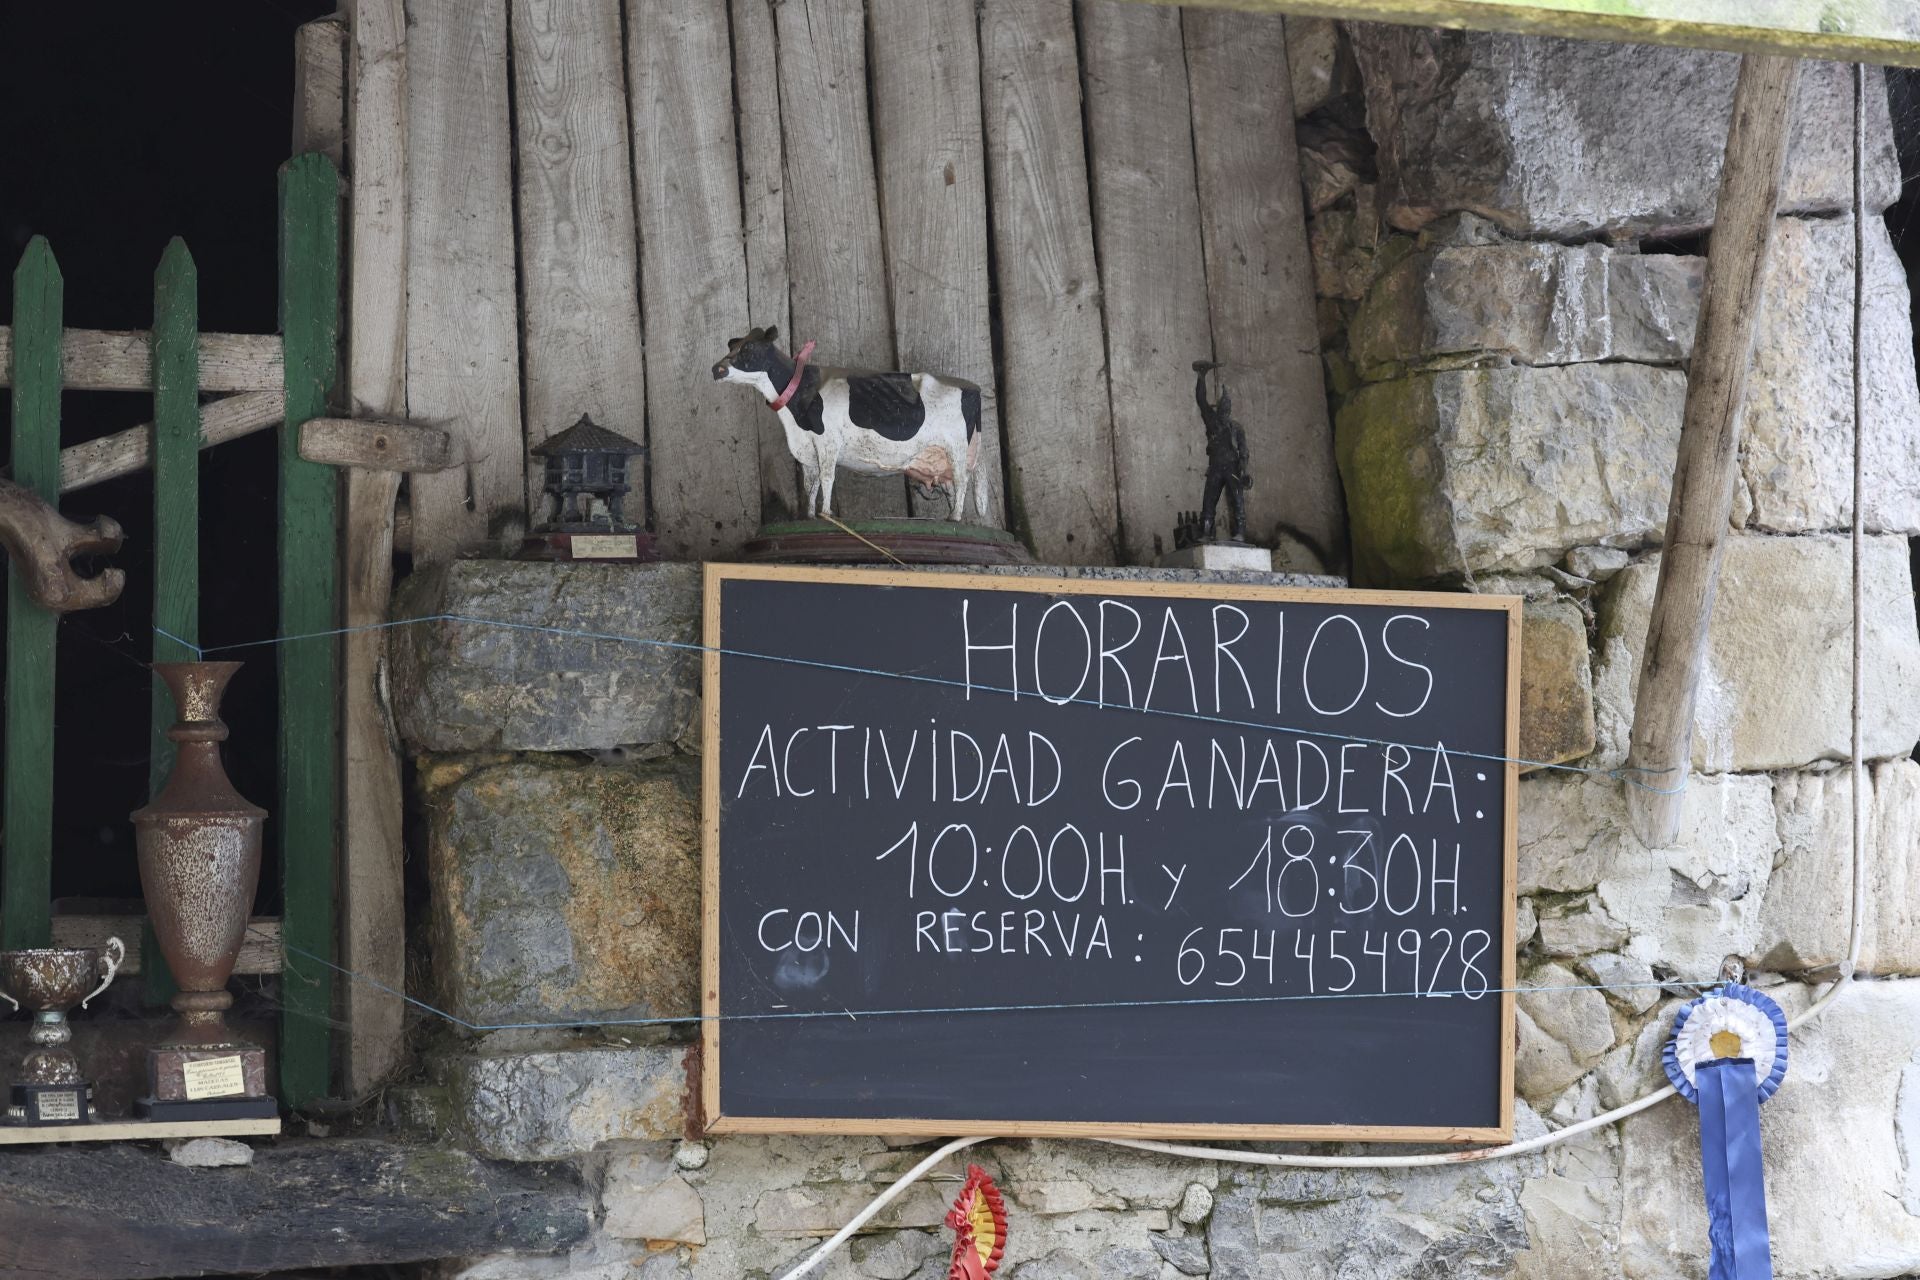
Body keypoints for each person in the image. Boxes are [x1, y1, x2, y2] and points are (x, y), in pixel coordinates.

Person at [1193, 360, 1251, 542]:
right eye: (1222, 407)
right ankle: (1206, 532)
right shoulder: (1212, 422)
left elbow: (1244, 450)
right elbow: (1201, 401)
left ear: (1229, 410)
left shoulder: (1237, 428)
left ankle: (1240, 532)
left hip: (1232, 467)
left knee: (1237, 501)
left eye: (1227, 407)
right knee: (1209, 501)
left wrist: (1244, 469)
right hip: (1216, 467)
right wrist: (1201, 377)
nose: (1224, 410)